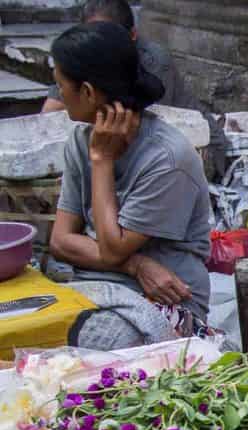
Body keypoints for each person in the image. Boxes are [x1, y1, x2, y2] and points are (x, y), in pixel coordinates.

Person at [48, 21, 213, 345]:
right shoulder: (81, 140)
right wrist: (137, 264)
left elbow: (109, 251)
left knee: (96, 344)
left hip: (164, 298)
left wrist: (102, 161)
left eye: (60, 85)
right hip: (100, 283)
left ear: (88, 92)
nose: (58, 94)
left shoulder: (167, 159)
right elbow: (61, 240)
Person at [41, 0, 229, 179]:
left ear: (132, 36)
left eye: (107, 38)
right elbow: (49, 115)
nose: (98, 47)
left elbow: (142, 132)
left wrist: (99, 162)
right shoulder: (86, 60)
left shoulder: (151, 63)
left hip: (198, 146)